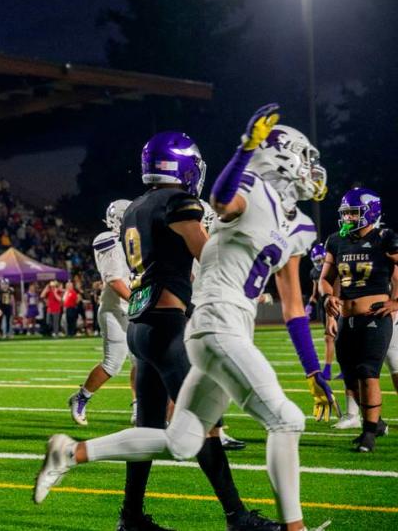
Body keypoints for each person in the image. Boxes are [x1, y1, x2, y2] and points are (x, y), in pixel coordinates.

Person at [36, 128, 285, 531]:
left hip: (141, 325)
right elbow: (208, 255)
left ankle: (131, 516)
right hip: (168, 326)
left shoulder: (135, 206)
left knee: (149, 426)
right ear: (183, 164)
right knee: (205, 427)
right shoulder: (179, 202)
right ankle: (238, 517)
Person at [320, 187, 398, 451]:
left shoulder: (383, 238)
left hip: (373, 316)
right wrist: (327, 296)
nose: (348, 218)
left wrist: (396, 301)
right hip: (346, 318)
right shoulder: (336, 240)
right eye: (346, 213)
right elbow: (325, 280)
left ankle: (368, 435)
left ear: (370, 212)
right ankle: (375, 423)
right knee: (351, 376)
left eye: (354, 213)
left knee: (368, 372)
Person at [69, 199, 137, 427]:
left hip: (136, 307)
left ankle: (139, 407)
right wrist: (138, 301)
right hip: (116, 309)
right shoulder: (108, 241)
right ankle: (81, 397)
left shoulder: (135, 240)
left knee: (142, 362)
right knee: (112, 364)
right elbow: (115, 280)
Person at [307, 244, 334, 381]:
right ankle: (330, 370)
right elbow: (315, 293)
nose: (320, 263)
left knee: (330, 337)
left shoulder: (333, 268)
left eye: (322, 259)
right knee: (330, 338)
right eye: (317, 261)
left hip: (334, 304)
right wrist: (309, 306)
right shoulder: (314, 272)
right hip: (323, 307)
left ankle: (328, 370)